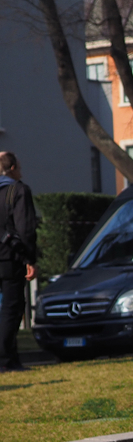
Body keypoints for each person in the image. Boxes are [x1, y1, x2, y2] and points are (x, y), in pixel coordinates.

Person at [0, 152, 38, 372]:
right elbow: (26, 229)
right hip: (10, 256)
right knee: (12, 309)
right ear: (12, 167)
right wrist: (29, 259)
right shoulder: (18, 190)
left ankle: (12, 358)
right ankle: (5, 359)